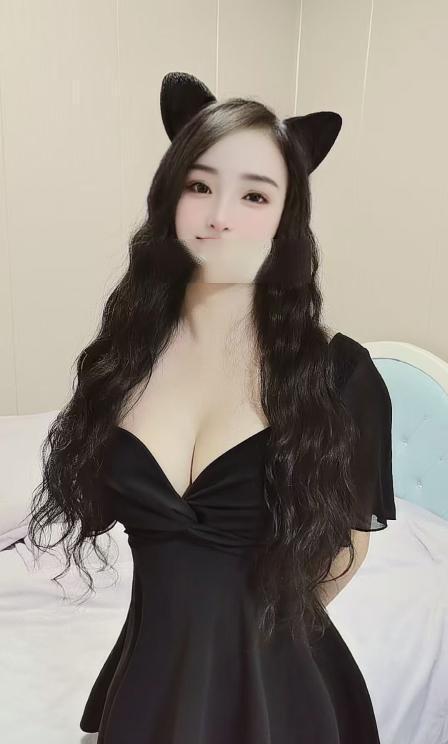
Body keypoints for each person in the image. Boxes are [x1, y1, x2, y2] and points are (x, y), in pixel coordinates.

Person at [26, 72, 396, 743]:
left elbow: (346, 552)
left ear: (286, 217)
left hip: (281, 686)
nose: (220, 215)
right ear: (170, 199)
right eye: (200, 186)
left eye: (255, 194)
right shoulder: (122, 363)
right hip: (150, 673)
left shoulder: (340, 377)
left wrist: (255, 638)